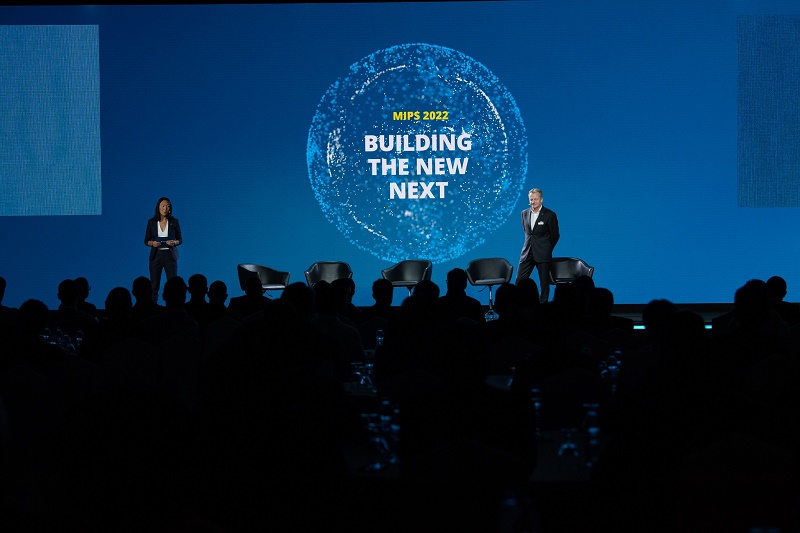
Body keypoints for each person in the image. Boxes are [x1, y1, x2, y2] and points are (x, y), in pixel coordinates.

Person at [516, 187, 559, 303]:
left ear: (541, 199)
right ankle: (520, 305)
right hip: (527, 252)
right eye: (531, 199)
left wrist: (547, 248)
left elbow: (555, 235)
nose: (533, 202)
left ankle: (543, 307)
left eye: (535, 199)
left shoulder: (550, 214)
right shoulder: (524, 213)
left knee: (544, 283)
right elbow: (528, 233)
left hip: (543, 253)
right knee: (519, 281)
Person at [144, 197, 182, 303]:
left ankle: (173, 307)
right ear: (158, 207)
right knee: (154, 285)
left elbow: (180, 239)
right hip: (156, 256)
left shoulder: (174, 221)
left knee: (173, 284)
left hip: (170, 255)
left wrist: (174, 242)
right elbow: (146, 240)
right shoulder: (151, 222)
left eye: (168, 206)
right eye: (163, 206)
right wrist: (152, 243)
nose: (165, 208)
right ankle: (153, 307)